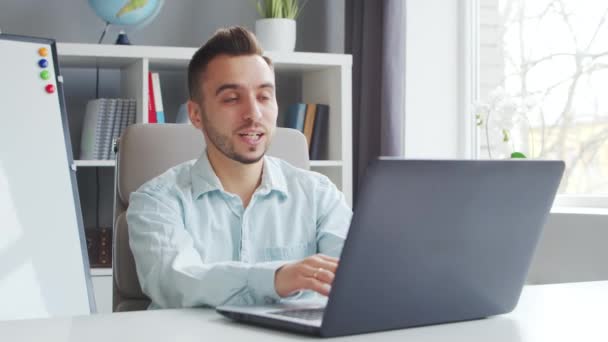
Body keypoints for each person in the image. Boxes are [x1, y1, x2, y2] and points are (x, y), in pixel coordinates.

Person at [127, 26, 352, 309]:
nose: (253, 114)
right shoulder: (156, 201)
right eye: (232, 99)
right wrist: (276, 278)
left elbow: (355, 277)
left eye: (264, 96)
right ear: (196, 114)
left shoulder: (319, 195)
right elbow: (177, 283)